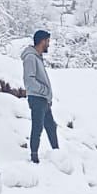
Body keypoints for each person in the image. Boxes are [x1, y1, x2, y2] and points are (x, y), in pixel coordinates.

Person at [21, 29, 58, 163]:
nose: (49, 44)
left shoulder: (37, 57)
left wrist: (47, 96)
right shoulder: (30, 57)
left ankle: (57, 153)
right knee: (37, 127)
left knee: (51, 126)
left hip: (43, 99)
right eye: (48, 41)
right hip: (37, 98)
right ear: (42, 41)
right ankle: (34, 156)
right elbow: (29, 80)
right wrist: (44, 90)